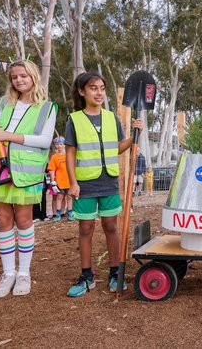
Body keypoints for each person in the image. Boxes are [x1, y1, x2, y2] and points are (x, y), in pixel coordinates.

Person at [0, 59, 57, 298]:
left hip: (24, 172)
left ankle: (24, 273)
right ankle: (8, 273)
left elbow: (44, 140)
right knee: (4, 220)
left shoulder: (47, 107)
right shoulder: (3, 103)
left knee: (23, 220)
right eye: (14, 77)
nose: (18, 80)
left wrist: (7, 135)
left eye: (23, 76)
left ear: (33, 77)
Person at [65, 71, 143, 297]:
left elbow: (117, 147)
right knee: (86, 228)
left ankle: (115, 272)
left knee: (111, 227)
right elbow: (70, 154)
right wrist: (72, 183)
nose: (98, 92)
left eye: (101, 88)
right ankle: (87, 275)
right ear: (82, 91)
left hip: (109, 181)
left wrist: (134, 135)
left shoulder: (111, 117)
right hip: (85, 183)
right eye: (93, 88)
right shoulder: (74, 120)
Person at [48, 136, 73, 221]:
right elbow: (51, 169)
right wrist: (53, 181)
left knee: (69, 197)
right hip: (59, 182)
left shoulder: (69, 155)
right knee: (59, 197)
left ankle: (70, 213)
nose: (59, 146)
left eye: (61, 144)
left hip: (69, 181)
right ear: (55, 145)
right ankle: (57, 214)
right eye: (57, 144)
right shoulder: (54, 157)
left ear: (64, 145)